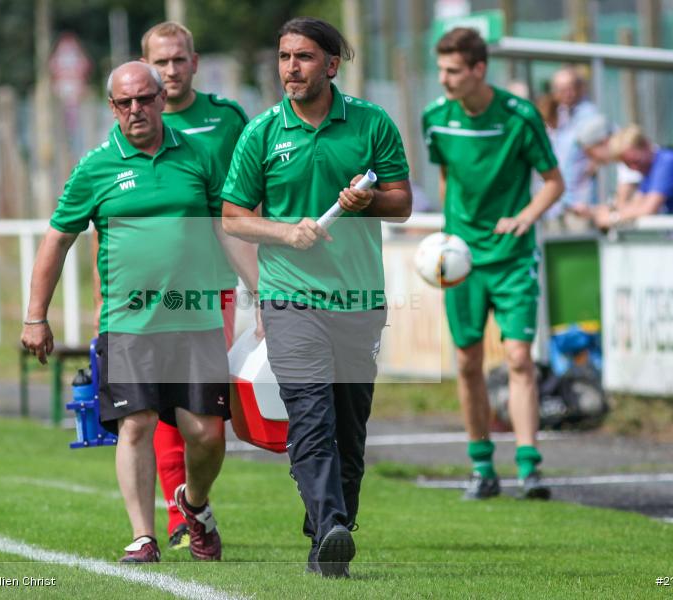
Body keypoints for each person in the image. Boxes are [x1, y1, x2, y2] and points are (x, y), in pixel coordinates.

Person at [23, 62, 256, 564]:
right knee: (136, 425)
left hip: (195, 318)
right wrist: (35, 316)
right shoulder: (95, 166)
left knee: (208, 434)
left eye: (145, 99)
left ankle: (193, 504)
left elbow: (226, 228)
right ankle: (143, 536)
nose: (136, 110)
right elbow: (57, 239)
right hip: (128, 324)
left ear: (160, 100)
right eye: (125, 102)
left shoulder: (197, 155)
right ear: (112, 108)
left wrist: (264, 296)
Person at [220, 17, 411, 577]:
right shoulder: (261, 133)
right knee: (310, 414)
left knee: (350, 429)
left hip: (358, 303)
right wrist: (285, 232)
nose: (290, 69)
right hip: (289, 299)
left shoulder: (372, 124)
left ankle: (330, 535)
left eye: (302, 57)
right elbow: (233, 218)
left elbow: (399, 200)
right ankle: (329, 521)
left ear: (331, 64)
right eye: (283, 57)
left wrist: (363, 204)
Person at [96, 20, 257, 553]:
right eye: (159, 62)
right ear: (145, 66)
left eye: (178, 60)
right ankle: (169, 520)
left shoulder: (226, 119)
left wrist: (263, 274)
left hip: (215, 286)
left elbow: (249, 196)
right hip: (146, 304)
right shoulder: (122, 138)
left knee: (206, 421)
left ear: (192, 61)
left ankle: (191, 501)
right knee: (150, 416)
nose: (170, 70)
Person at [421, 28, 565, 500]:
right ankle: (482, 467)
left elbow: (552, 182)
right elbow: (445, 177)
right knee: (467, 362)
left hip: (511, 257)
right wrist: (447, 236)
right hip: (461, 260)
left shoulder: (520, 117)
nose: (444, 79)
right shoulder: (435, 120)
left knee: (520, 357)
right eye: (441, 69)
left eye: (453, 70)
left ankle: (530, 468)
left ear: (479, 69)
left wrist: (524, 217)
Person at [592, 125, 673, 228]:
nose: (634, 168)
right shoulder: (649, 170)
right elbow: (636, 204)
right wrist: (609, 212)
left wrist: (613, 218)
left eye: (635, 161)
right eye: (628, 164)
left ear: (646, 145)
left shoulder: (666, 163)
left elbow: (648, 209)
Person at [544, 67, 598, 230]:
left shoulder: (590, 115)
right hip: (553, 205)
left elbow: (602, 152)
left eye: (571, 87)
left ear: (580, 88)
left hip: (578, 204)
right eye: (560, 89)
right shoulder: (555, 113)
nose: (567, 93)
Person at [575, 114, 642, 211]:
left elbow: (621, 205)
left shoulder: (628, 158)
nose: (591, 159)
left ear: (604, 142)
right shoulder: (624, 158)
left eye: (590, 153)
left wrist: (592, 212)